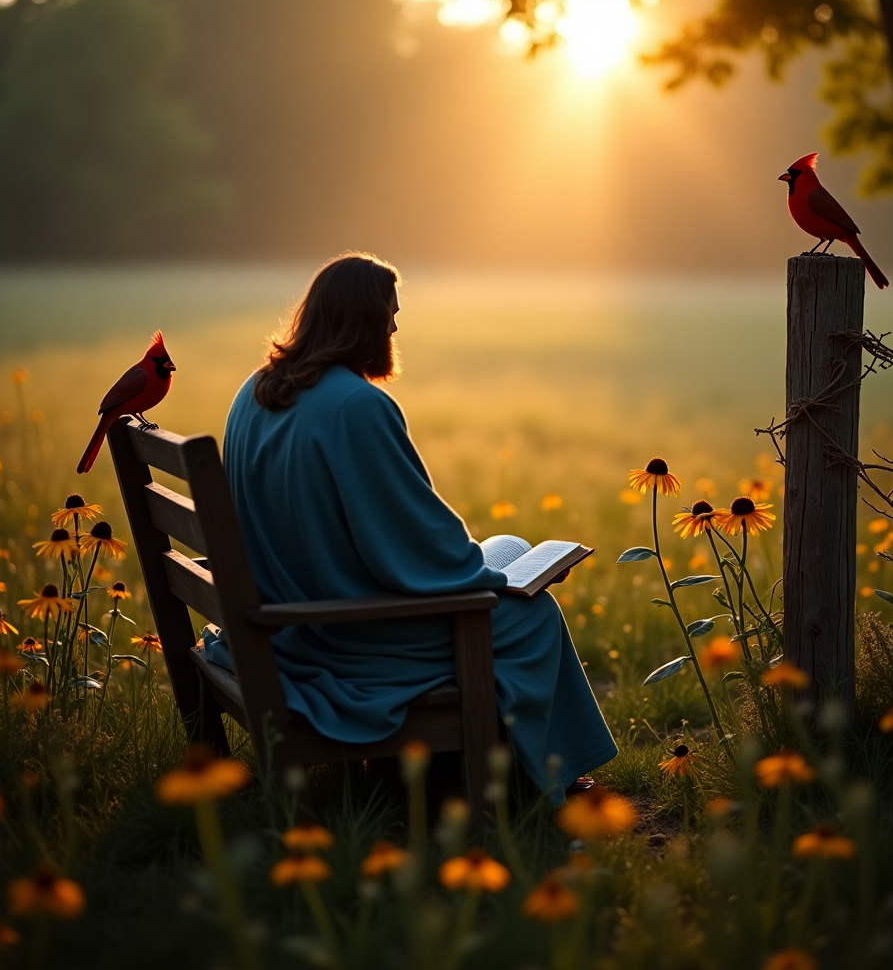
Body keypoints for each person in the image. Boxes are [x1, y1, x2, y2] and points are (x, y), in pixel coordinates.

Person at [203, 252, 617, 795]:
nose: (396, 326)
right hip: (347, 636)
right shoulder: (357, 407)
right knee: (532, 615)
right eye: (389, 315)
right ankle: (543, 781)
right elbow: (416, 547)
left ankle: (457, 766)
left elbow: (394, 534)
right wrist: (503, 582)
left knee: (508, 544)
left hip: (289, 613)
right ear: (362, 322)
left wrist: (489, 567)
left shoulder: (256, 391)